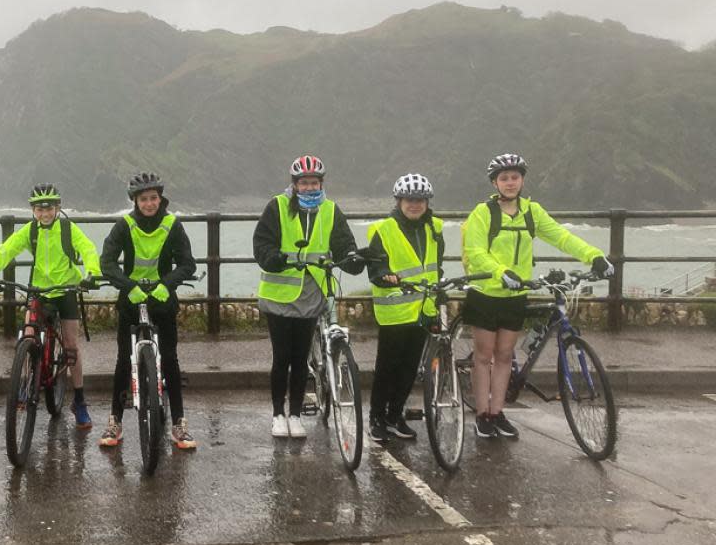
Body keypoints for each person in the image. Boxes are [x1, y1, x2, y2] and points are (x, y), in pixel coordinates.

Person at [461, 153, 613, 439]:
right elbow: (475, 252)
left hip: (516, 295)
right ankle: (482, 415)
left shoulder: (532, 212)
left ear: (522, 180)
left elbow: (561, 236)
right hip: (486, 293)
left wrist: (594, 256)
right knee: (484, 357)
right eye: (504, 178)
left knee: (505, 355)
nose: (509, 183)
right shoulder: (483, 213)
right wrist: (501, 271)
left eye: (514, 177)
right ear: (495, 182)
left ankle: (497, 412)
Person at [253, 155, 365, 438]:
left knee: (301, 356)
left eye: (314, 182)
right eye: (304, 183)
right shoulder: (277, 206)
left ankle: (295, 414)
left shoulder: (330, 210)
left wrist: (352, 258)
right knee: (282, 357)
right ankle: (278, 413)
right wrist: (272, 257)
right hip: (279, 296)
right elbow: (262, 243)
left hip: (313, 293)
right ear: (294, 184)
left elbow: (343, 243)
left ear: (321, 183)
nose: (309, 188)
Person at [0, 183, 102, 429]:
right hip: (38, 290)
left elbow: (87, 249)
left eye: (48, 208)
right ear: (33, 210)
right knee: (28, 334)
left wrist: (92, 273)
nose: (44, 214)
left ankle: (79, 400)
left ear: (57, 208)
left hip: (67, 290)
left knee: (71, 346)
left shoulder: (68, 229)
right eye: (38, 209)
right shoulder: (30, 231)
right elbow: (6, 249)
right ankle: (23, 385)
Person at [98, 172, 198, 450]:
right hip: (131, 300)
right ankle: (114, 421)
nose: (150, 203)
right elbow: (107, 262)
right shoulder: (124, 225)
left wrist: (168, 284)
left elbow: (187, 263)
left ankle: (179, 423)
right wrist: (128, 286)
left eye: (153, 198)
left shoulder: (172, 224)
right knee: (123, 361)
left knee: (170, 359)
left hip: (162, 299)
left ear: (160, 198)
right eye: (144, 199)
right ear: (135, 201)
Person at [364, 174, 444, 444]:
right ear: (399, 201)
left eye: (420, 200)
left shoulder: (434, 229)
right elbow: (374, 267)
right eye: (410, 200)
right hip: (395, 311)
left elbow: (437, 266)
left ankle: (395, 415)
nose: (415, 205)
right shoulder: (384, 230)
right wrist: (384, 274)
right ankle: (376, 418)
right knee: (387, 367)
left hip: (424, 309)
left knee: (410, 368)